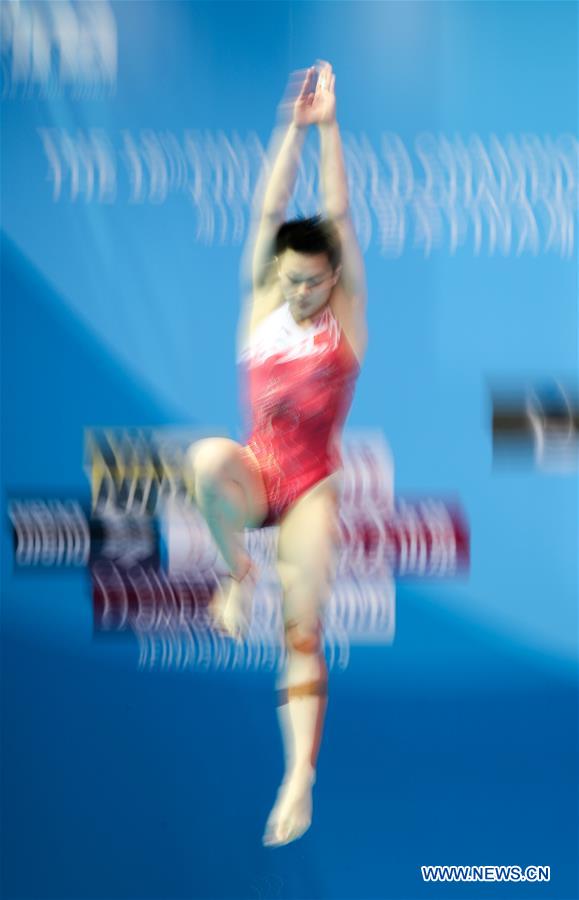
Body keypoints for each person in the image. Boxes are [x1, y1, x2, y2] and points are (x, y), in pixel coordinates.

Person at [186, 61, 367, 847]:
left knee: (302, 628)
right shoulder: (261, 300)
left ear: (332, 279)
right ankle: (234, 574)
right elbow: (269, 206)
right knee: (202, 462)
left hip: (313, 482)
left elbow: (338, 212)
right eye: (292, 281)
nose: (302, 293)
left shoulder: (347, 308)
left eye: (315, 284)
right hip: (260, 469)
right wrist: (291, 126)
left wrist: (329, 127)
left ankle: (299, 777)